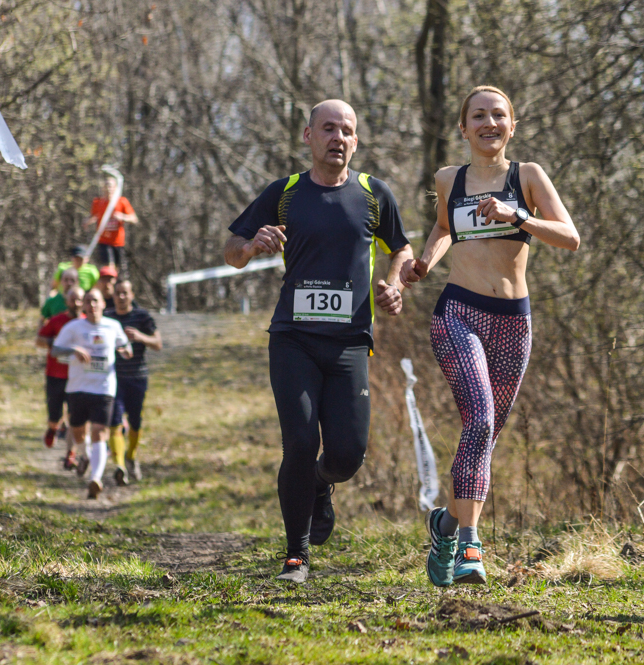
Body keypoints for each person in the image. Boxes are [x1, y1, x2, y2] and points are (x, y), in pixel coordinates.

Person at [224, 99, 412, 583]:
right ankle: (297, 554)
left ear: (356, 140)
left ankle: (321, 485)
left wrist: (394, 283)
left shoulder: (373, 193)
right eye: (328, 129)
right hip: (294, 339)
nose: (337, 138)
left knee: (347, 456)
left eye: (346, 130)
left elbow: (402, 249)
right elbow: (231, 251)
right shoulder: (285, 192)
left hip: (350, 343)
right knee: (301, 443)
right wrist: (252, 245)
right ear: (308, 136)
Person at [400, 86, 579, 586]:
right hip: (458, 312)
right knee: (478, 419)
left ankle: (445, 525)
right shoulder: (449, 179)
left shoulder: (528, 177)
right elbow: (443, 229)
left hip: (513, 321)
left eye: (499, 115)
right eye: (478, 116)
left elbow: (570, 237)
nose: (489, 123)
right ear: (464, 128)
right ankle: (470, 547)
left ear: (512, 126)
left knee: (485, 435)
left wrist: (517, 215)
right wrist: (424, 263)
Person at [51, 288, 132, 499]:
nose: (92, 305)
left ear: (103, 304)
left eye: (95, 301)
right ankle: (85, 456)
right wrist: (74, 350)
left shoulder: (113, 326)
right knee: (78, 432)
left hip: (104, 388)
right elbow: (55, 350)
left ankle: (95, 479)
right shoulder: (74, 327)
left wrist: (126, 351)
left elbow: (126, 348)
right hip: (78, 387)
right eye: (88, 301)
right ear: (84, 306)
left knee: (99, 431)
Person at [104, 280, 162, 485]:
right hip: (113, 379)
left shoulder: (142, 316)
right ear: (113, 296)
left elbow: (158, 344)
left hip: (137, 377)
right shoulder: (107, 318)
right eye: (117, 293)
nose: (121, 297)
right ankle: (119, 466)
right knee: (115, 421)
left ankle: (131, 456)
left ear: (132, 295)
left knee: (135, 421)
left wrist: (140, 337)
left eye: (125, 293)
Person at [36, 286, 85, 459]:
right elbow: (39, 340)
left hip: (77, 376)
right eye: (73, 299)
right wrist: (55, 343)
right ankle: (53, 428)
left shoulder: (87, 322)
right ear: (66, 302)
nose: (76, 303)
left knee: (74, 417)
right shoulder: (57, 320)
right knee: (54, 415)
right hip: (55, 374)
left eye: (79, 299)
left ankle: (71, 453)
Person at [84, 175, 137, 270]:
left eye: (110, 186)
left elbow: (134, 219)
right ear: (103, 188)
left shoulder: (122, 201)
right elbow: (93, 216)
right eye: (106, 186)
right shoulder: (98, 202)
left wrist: (122, 216)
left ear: (115, 187)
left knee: (118, 268)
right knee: (108, 268)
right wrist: (87, 222)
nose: (108, 189)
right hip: (104, 240)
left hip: (118, 241)